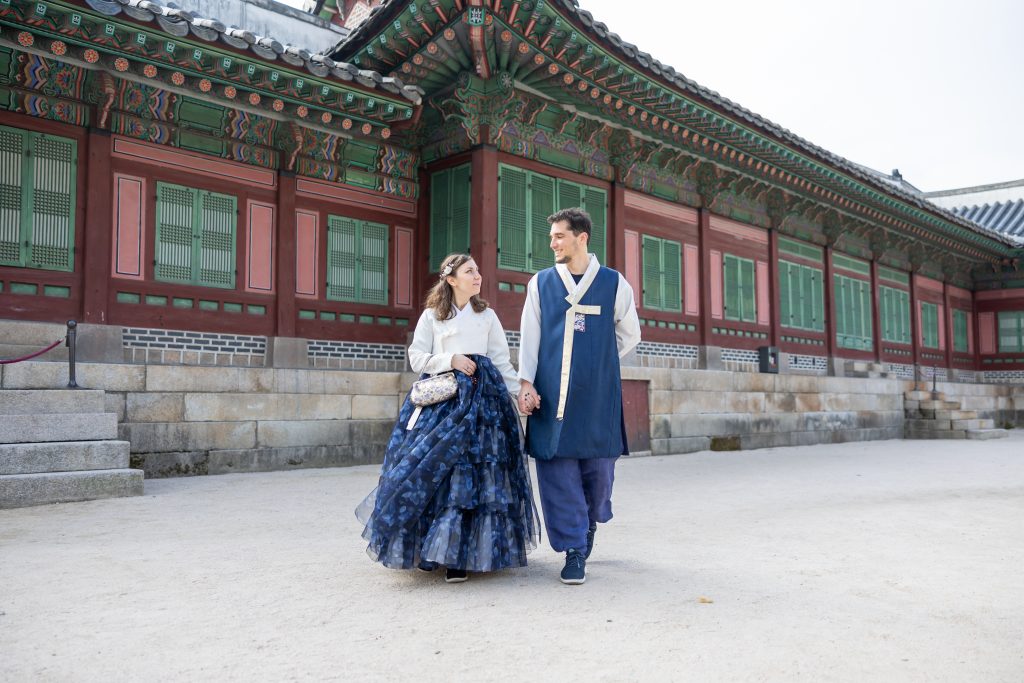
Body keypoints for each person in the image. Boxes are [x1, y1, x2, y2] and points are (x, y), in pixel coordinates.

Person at [356, 253, 539, 583]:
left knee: (482, 477)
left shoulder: (487, 316)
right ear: (451, 279)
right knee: (443, 471)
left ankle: (468, 555)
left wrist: (522, 391)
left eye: (477, 270)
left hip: (485, 406)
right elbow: (416, 358)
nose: (477, 275)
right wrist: (450, 358)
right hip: (444, 404)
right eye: (469, 271)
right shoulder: (432, 317)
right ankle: (443, 552)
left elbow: (500, 361)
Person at [517, 208, 641, 585]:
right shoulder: (540, 284)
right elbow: (530, 337)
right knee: (557, 468)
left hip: (599, 393)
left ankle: (588, 524)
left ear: (581, 237)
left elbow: (630, 334)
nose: (552, 242)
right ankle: (573, 549)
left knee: (599, 470)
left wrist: (598, 364)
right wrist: (526, 384)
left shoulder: (614, 283)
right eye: (552, 236)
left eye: (559, 236)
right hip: (553, 393)